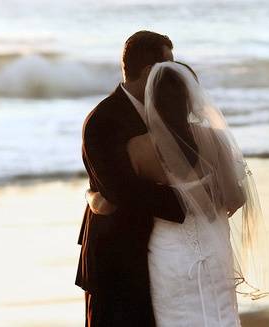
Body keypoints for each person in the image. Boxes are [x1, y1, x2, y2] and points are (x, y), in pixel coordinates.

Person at [87, 61, 269, 326]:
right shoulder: (216, 140)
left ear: (152, 99)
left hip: (170, 252)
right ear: (192, 98)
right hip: (215, 249)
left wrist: (92, 197)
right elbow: (236, 199)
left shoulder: (139, 149)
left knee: (176, 316)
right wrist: (207, 198)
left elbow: (121, 197)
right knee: (220, 312)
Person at [75, 31, 187, 327]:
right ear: (150, 72)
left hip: (159, 254)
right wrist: (190, 201)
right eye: (169, 66)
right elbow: (121, 190)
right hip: (116, 256)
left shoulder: (166, 112)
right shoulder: (103, 120)